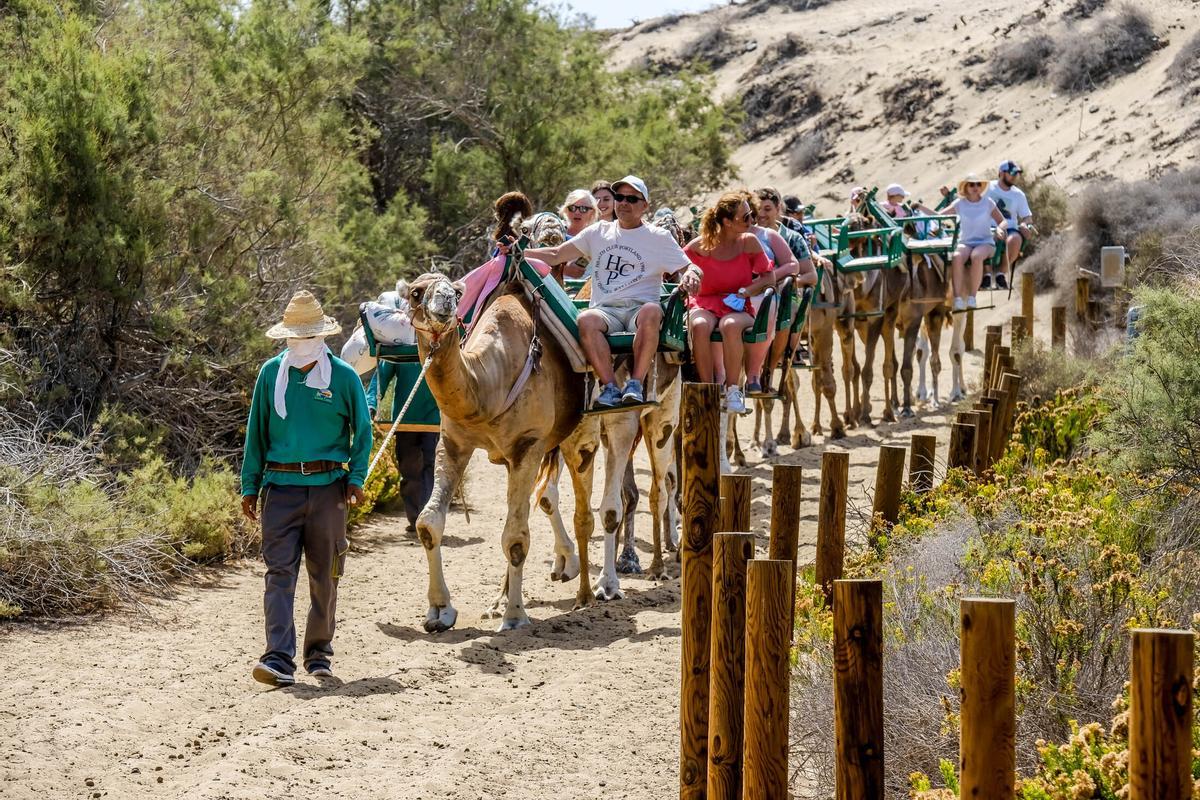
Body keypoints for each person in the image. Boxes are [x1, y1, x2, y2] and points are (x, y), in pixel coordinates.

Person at [240, 290, 373, 686]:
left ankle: (319, 654)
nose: (300, 344)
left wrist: (356, 477)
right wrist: (250, 484)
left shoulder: (344, 378)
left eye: (308, 336)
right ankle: (278, 658)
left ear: (322, 337)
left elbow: (361, 433)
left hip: (329, 489)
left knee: (325, 576)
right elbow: (256, 433)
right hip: (279, 489)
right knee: (279, 573)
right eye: (294, 337)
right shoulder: (270, 374)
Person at [518, 175, 703, 409]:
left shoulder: (658, 237)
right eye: (620, 197)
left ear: (644, 206)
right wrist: (518, 253)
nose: (624, 203)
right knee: (585, 319)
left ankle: (635, 383)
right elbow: (556, 255)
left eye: (632, 199)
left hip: (639, 309)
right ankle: (609, 387)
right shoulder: (598, 232)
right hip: (607, 312)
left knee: (652, 312)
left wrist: (692, 274)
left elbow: (690, 266)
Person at [683, 192, 776, 413]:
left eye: (751, 215)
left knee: (730, 325)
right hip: (705, 301)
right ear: (727, 222)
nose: (751, 220)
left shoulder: (749, 242)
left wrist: (746, 291)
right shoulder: (700, 246)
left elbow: (768, 277)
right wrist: (689, 275)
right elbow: (677, 264)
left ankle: (733, 389)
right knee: (699, 325)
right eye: (745, 217)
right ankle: (708, 390)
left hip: (737, 303)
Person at [366, 290, 440, 537]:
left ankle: (428, 517)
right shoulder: (399, 345)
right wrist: (371, 404)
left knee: (432, 465)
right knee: (409, 468)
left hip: (435, 420)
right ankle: (414, 517)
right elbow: (382, 375)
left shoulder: (437, 343)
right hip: (406, 419)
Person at [754, 187, 818, 388]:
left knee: (782, 313)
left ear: (778, 209)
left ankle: (769, 370)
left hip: (784, 294)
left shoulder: (792, 238)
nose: (762, 215)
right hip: (751, 291)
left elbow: (811, 275)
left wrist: (786, 283)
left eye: (767, 209)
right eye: (758, 210)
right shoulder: (748, 236)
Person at [941, 174, 1006, 310]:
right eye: (971, 184)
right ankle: (957, 298)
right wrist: (920, 208)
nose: (975, 187)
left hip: (986, 242)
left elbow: (1002, 221)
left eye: (978, 184)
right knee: (957, 257)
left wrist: (1000, 229)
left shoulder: (988, 202)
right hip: (966, 242)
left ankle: (972, 297)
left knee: (976, 256)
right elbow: (939, 216)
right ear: (966, 187)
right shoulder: (960, 203)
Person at [985, 160, 1035, 290]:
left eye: (1017, 174)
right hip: (987, 227)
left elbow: (1027, 216)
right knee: (984, 239)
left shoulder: (1018, 195)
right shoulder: (987, 187)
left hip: (1009, 228)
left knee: (1015, 239)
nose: (1014, 176)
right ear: (1001, 173)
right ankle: (986, 275)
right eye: (1012, 173)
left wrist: (1024, 224)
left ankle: (1001, 275)